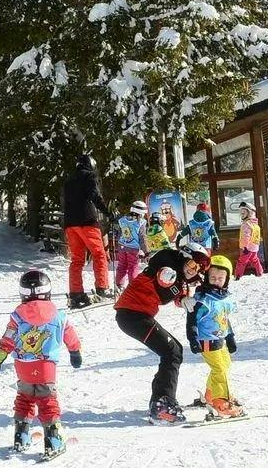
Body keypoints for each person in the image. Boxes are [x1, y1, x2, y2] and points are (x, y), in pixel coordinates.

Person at [113, 241, 210, 423]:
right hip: (132, 315)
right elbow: (163, 276)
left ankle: (160, 401)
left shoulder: (181, 279)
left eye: (197, 269)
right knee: (171, 352)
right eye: (191, 264)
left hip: (137, 316)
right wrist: (167, 275)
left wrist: (183, 301)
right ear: (184, 257)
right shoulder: (168, 264)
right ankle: (162, 404)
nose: (192, 270)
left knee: (176, 350)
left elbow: (176, 293)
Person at [0, 268, 82, 457]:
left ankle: (21, 438)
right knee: (47, 400)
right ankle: (53, 441)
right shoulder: (58, 315)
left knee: (25, 398)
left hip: (23, 365)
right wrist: (75, 352)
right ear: (47, 291)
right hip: (45, 366)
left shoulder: (17, 315)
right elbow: (69, 334)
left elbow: (7, 339)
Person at [186, 254, 242, 418]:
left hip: (220, 340)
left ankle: (210, 396)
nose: (216, 280)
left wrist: (230, 337)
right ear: (206, 278)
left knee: (224, 365)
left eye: (220, 278)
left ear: (227, 279)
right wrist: (192, 339)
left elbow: (225, 319)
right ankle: (221, 402)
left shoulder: (225, 299)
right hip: (206, 340)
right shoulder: (203, 300)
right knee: (220, 369)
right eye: (213, 277)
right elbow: (192, 320)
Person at [62, 153, 113, 308]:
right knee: (99, 254)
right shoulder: (89, 176)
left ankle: (75, 293)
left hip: (70, 223)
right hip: (87, 221)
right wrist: (108, 212)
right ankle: (102, 288)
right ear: (90, 164)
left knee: (77, 259)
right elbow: (95, 196)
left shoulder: (69, 180)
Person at [113, 200, 148, 290]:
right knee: (133, 267)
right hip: (133, 249)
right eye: (143, 214)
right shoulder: (141, 223)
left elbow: (119, 233)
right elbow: (142, 238)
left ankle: (119, 284)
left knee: (122, 265)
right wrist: (146, 251)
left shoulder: (122, 220)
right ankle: (133, 286)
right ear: (140, 213)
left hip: (122, 247)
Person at [235, 205, 264, 277]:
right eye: (241, 212)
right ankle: (260, 272)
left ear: (250, 213)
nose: (242, 214)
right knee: (254, 260)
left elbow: (246, 236)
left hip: (247, 247)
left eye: (244, 212)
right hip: (254, 247)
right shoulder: (255, 224)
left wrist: (245, 247)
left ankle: (238, 275)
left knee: (241, 261)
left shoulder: (246, 224)